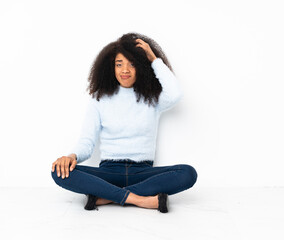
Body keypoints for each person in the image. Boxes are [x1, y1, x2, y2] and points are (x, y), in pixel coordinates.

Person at [51, 32, 198, 213]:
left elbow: (175, 94)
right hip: (108, 172)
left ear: (142, 67)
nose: (124, 70)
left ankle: (106, 197)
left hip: (143, 173)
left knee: (188, 173)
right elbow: (87, 142)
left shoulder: (152, 98)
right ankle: (140, 200)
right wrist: (71, 157)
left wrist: (153, 58)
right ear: (110, 67)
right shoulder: (100, 99)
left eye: (132, 64)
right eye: (119, 64)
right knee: (59, 171)